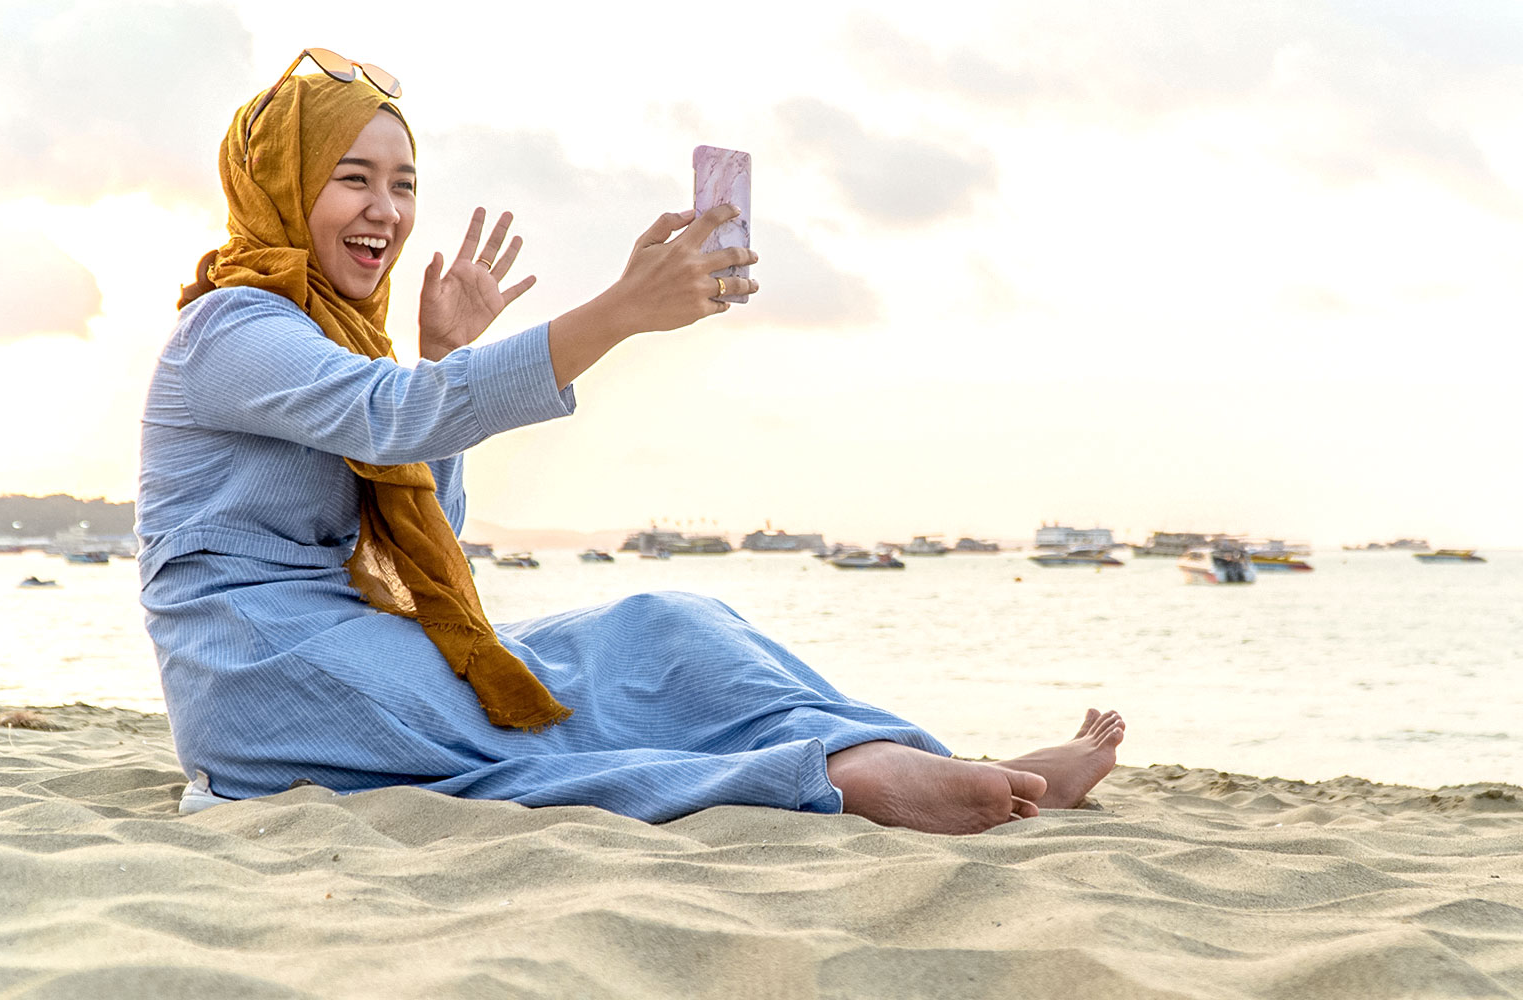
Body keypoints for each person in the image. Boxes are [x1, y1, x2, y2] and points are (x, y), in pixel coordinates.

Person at [138, 51, 1124, 835]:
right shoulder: (232, 330)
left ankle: (922, 756)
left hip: (359, 641)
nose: (387, 210)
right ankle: (838, 777)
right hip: (263, 674)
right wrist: (618, 311)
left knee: (668, 626)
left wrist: (441, 352)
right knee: (560, 737)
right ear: (280, 183)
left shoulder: (334, 344)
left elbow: (420, 517)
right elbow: (401, 414)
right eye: (354, 178)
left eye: (402, 183)